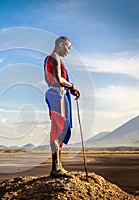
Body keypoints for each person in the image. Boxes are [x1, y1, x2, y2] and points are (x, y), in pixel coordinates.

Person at [44, 36, 80, 178]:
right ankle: (55, 168)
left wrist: (70, 89)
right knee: (57, 129)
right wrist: (72, 86)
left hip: (59, 95)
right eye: (68, 47)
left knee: (61, 129)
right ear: (60, 44)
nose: (68, 51)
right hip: (56, 95)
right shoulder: (54, 57)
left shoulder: (55, 59)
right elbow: (58, 80)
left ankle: (58, 166)